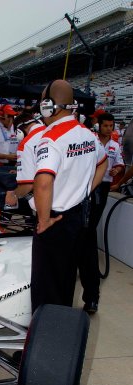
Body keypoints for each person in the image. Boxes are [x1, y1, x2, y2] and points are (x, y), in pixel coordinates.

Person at [30, 79, 108, 313]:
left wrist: (43, 220)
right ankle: (59, 336)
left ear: (48, 106)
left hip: (55, 220)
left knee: (46, 289)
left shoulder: (50, 139)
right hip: (79, 217)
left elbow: (43, 183)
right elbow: (103, 164)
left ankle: (44, 345)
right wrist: (83, 191)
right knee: (65, 284)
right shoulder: (87, 134)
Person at [78, 111, 125, 314]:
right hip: (84, 189)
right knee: (84, 232)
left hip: (101, 189)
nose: (109, 129)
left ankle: (91, 291)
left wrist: (118, 170)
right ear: (98, 125)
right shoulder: (89, 138)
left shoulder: (114, 145)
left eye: (111, 126)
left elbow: (120, 164)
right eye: (105, 125)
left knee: (88, 231)